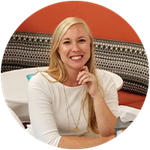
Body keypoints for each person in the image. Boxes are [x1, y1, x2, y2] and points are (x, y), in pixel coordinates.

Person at [27, 17, 118, 149]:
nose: (75, 48)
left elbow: (110, 132)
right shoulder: (40, 83)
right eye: (67, 42)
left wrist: (96, 95)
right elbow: (50, 141)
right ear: (57, 48)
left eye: (81, 40)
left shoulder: (105, 81)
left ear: (90, 45)